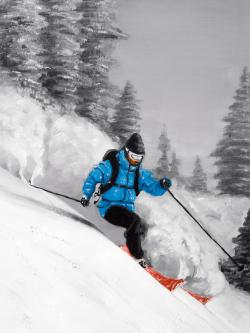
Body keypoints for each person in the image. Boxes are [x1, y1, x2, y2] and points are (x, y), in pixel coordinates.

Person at [81, 133, 172, 267]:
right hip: (109, 207)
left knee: (143, 226)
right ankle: (137, 257)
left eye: (139, 158)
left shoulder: (139, 173)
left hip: (127, 210)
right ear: (126, 151)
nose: (136, 160)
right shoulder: (110, 166)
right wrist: (86, 196)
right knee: (134, 222)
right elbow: (93, 177)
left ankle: (141, 254)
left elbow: (153, 188)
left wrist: (162, 185)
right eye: (133, 157)